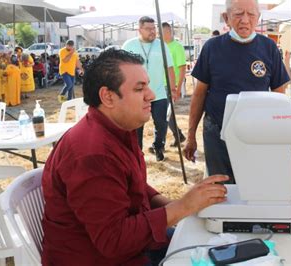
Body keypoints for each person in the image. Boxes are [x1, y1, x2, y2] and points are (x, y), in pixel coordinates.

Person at [41, 49, 228, 266]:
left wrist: (181, 205)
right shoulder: (92, 154)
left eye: (147, 85)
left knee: (210, 243)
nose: (151, 95)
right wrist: (182, 208)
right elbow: (114, 241)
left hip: (129, 248)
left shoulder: (118, 128)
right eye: (140, 88)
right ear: (108, 97)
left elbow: (134, 187)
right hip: (100, 258)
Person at [184, 0, 290, 184]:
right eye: (238, 14)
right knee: (220, 186)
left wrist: (277, 135)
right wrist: (191, 135)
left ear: (258, 18)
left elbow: (278, 94)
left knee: (252, 185)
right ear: (226, 18)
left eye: (251, 14)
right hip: (217, 131)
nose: (245, 20)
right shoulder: (212, 47)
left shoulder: (269, 48)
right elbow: (199, 94)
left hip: (255, 133)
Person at [123, 16, 176, 161]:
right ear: (139, 29)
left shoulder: (161, 45)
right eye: (148, 29)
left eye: (154, 29)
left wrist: (173, 88)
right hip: (136, 95)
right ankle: (137, 152)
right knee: (137, 125)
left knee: (161, 123)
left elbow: (169, 67)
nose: (152, 32)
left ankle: (158, 147)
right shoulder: (129, 45)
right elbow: (121, 69)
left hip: (158, 93)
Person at [162, 22, 187, 147]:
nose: (159, 34)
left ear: (169, 31)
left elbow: (182, 69)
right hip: (159, 85)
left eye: (162, 32)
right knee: (166, 114)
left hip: (170, 86)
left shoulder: (177, 47)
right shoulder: (160, 46)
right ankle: (179, 135)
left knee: (165, 114)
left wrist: (178, 88)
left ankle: (160, 143)